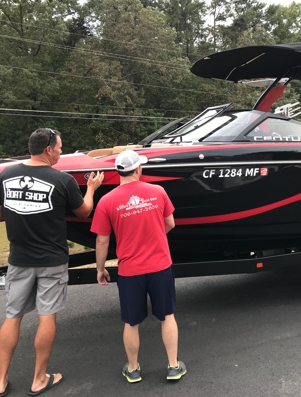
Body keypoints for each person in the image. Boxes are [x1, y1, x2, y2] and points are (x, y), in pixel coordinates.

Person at [0, 128, 104, 396]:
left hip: (19, 259)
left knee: (12, 317)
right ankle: (38, 380)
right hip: (52, 260)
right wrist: (91, 188)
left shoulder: (6, 175)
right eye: (59, 147)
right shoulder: (63, 180)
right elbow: (84, 212)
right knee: (47, 316)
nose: (61, 151)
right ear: (48, 149)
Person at [91, 149, 186, 384]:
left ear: (118, 172)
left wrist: (100, 268)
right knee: (167, 316)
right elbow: (170, 224)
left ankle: (133, 369)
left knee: (131, 322)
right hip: (160, 266)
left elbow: (102, 239)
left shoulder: (106, 201)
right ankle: (173, 366)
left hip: (129, 271)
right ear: (138, 169)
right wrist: (152, 236)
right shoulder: (158, 191)